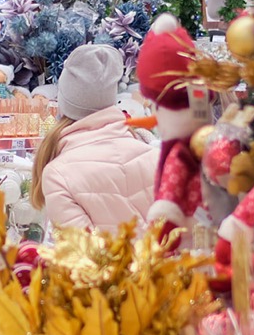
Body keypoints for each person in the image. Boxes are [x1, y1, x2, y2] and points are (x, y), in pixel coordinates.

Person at [28, 44, 157, 230]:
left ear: (63, 101)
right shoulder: (154, 157)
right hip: (157, 259)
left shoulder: (58, 174)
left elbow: (81, 252)